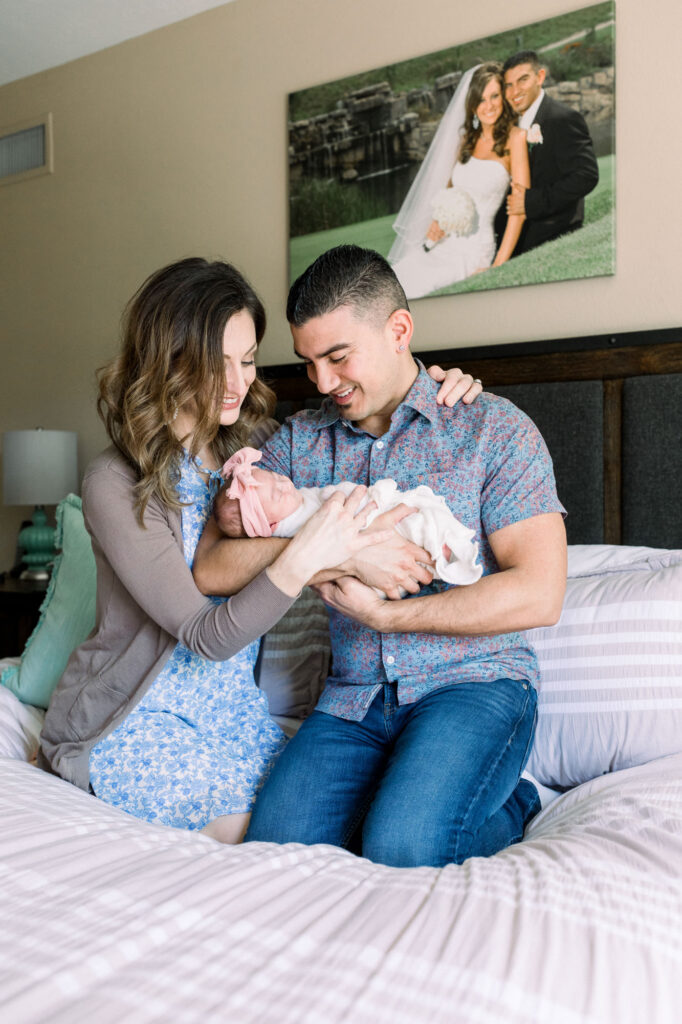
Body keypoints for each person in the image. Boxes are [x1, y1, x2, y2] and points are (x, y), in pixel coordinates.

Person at [38, 256, 481, 845]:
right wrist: (329, 555)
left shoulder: (262, 447)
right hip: (133, 719)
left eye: (246, 360)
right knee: (277, 840)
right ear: (168, 360)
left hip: (235, 715)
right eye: (213, 363)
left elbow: (373, 418)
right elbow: (205, 637)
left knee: (338, 819)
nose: (237, 383)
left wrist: (437, 383)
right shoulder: (116, 481)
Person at [193, 244, 567, 868]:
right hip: (353, 698)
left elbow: (540, 593)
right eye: (309, 362)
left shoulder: (491, 429)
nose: (322, 383)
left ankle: (513, 804)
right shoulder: (298, 444)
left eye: (338, 357)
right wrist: (339, 553)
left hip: (473, 685)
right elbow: (213, 566)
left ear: (399, 330)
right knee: (276, 853)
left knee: (402, 846)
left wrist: (388, 615)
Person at [213, 445, 482, 586]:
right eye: (275, 494)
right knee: (413, 521)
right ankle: (443, 553)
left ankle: (442, 550)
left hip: (374, 533)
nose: (283, 483)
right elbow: (337, 520)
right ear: (271, 525)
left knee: (412, 514)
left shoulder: (291, 502)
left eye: (274, 476)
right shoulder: (294, 526)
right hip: (368, 536)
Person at [387, 62, 529, 299]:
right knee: (394, 280)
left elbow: (519, 211)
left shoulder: (516, 138)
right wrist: (437, 221)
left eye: (494, 96)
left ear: (503, 97)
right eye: (481, 99)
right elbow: (450, 191)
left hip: (474, 250)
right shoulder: (465, 140)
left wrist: (498, 266)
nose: (489, 106)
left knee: (420, 288)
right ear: (472, 104)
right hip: (444, 243)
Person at [495, 50, 599, 256]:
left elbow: (586, 176)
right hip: (510, 233)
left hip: (550, 231)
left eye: (523, 80)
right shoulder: (510, 123)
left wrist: (531, 202)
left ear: (540, 77)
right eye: (509, 85)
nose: (515, 91)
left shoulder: (562, 118)